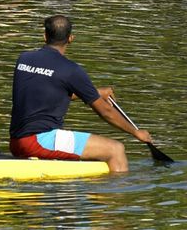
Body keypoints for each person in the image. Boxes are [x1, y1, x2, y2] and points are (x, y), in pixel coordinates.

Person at [9, 15, 152, 173]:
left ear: (44, 36)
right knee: (116, 149)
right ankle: (114, 195)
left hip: (16, 142)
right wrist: (135, 132)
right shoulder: (71, 70)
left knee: (96, 148)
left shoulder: (23, 59)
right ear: (70, 38)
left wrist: (95, 92)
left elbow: (50, 91)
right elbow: (105, 111)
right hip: (40, 141)